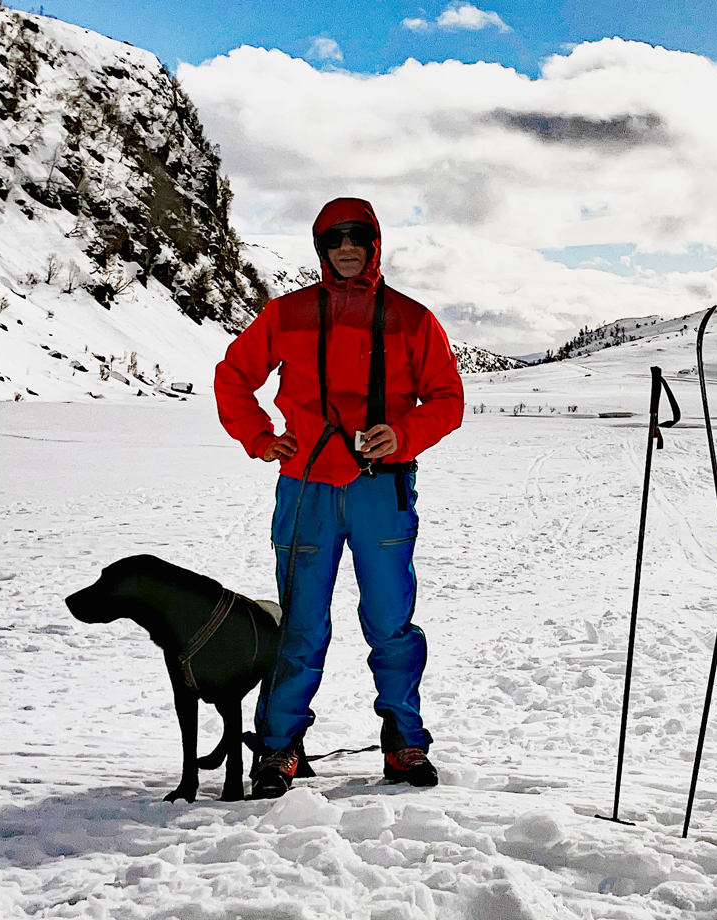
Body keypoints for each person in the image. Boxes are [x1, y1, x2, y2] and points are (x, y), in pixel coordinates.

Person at [214, 198, 465, 798]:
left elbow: (447, 399)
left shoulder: (413, 318)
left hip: (383, 488)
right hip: (305, 489)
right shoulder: (287, 314)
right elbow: (233, 376)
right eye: (333, 240)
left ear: (374, 243)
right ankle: (279, 745)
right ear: (321, 248)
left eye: (357, 238)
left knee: (390, 624)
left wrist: (404, 434)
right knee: (300, 623)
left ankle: (404, 740)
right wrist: (258, 437)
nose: (346, 249)